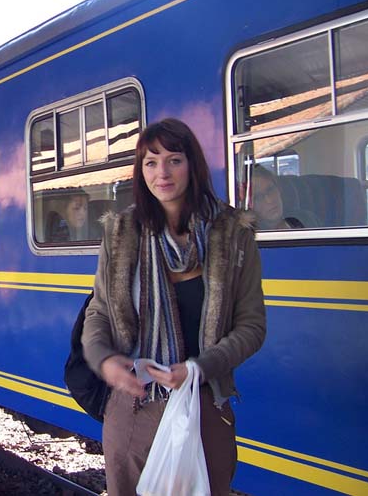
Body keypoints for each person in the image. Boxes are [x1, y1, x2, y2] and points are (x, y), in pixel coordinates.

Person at [82, 118, 266, 495]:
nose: (161, 172)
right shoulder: (120, 232)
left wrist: (199, 368)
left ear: (192, 164)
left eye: (173, 160)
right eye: (150, 162)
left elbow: (251, 326)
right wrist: (104, 359)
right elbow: (98, 312)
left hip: (205, 408)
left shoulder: (233, 233)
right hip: (133, 410)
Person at [249, 165, 304, 230]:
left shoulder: (304, 220)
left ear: (279, 189)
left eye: (270, 190)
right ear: (250, 205)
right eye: (258, 197)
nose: (269, 200)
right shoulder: (250, 237)